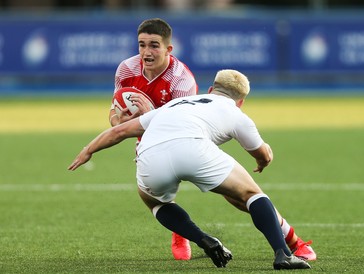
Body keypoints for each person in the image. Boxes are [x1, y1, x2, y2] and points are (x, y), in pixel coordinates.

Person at [69, 69, 312, 269]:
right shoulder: (236, 114)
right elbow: (262, 153)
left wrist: (88, 150)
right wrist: (263, 160)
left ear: (210, 90)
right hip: (194, 149)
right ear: (241, 101)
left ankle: (204, 239)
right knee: (252, 195)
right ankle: (282, 253)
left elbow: (120, 131)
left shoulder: (174, 104)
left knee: (156, 203)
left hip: (151, 153)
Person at [108, 18, 198, 260]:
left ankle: (288, 238)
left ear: (169, 49)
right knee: (153, 195)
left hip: (187, 139)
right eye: (141, 45)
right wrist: (120, 122)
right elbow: (113, 112)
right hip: (146, 139)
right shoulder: (126, 69)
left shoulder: (181, 81)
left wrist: (149, 117)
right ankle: (180, 232)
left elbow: (181, 129)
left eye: (154, 45)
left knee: (234, 193)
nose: (146, 52)